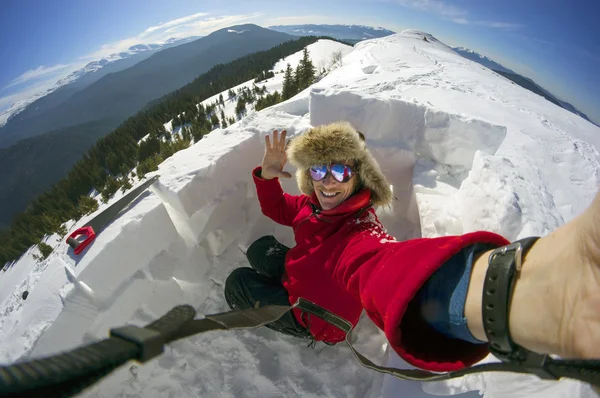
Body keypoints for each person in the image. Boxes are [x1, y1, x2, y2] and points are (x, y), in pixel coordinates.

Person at [224, 121, 600, 374]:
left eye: (339, 171)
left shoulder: (360, 235)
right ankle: (284, 280)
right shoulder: (310, 205)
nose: (328, 183)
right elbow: (276, 207)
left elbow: (383, 264)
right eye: (319, 170)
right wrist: (268, 177)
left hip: (319, 317)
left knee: (237, 282)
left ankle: (305, 327)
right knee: (260, 248)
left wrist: (497, 294)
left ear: (357, 176)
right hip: (300, 278)